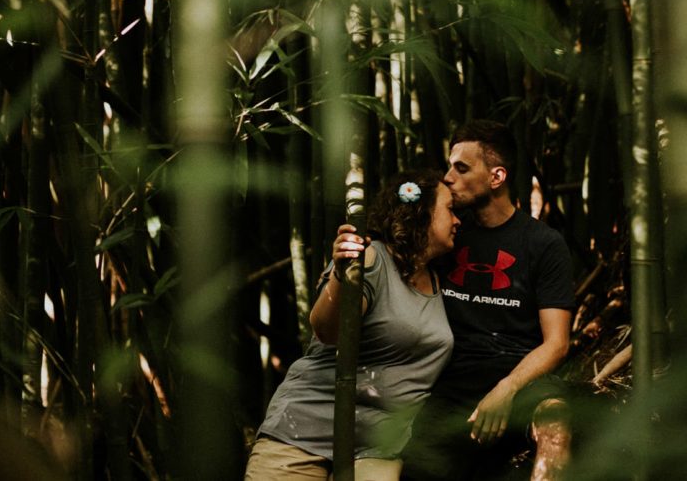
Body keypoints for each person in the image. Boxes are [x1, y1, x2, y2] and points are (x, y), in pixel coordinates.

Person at [335, 120, 576, 481]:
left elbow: (557, 343)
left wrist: (507, 387)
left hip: (521, 376)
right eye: (449, 166)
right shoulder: (443, 231)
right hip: (453, 377)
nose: (448, 177)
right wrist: (353, 244)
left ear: (496, 177)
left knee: (555, 425)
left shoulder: (544, 243)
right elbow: (395, 221)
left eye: (461, 168)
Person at [245, 169, 460, 481]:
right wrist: (341, 274)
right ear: (421, 211)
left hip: (378, 448)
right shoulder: (369, 260)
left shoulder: (444, 281)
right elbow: (327, 331)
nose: (458, 221)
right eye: (450, 209)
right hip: (302, 431)